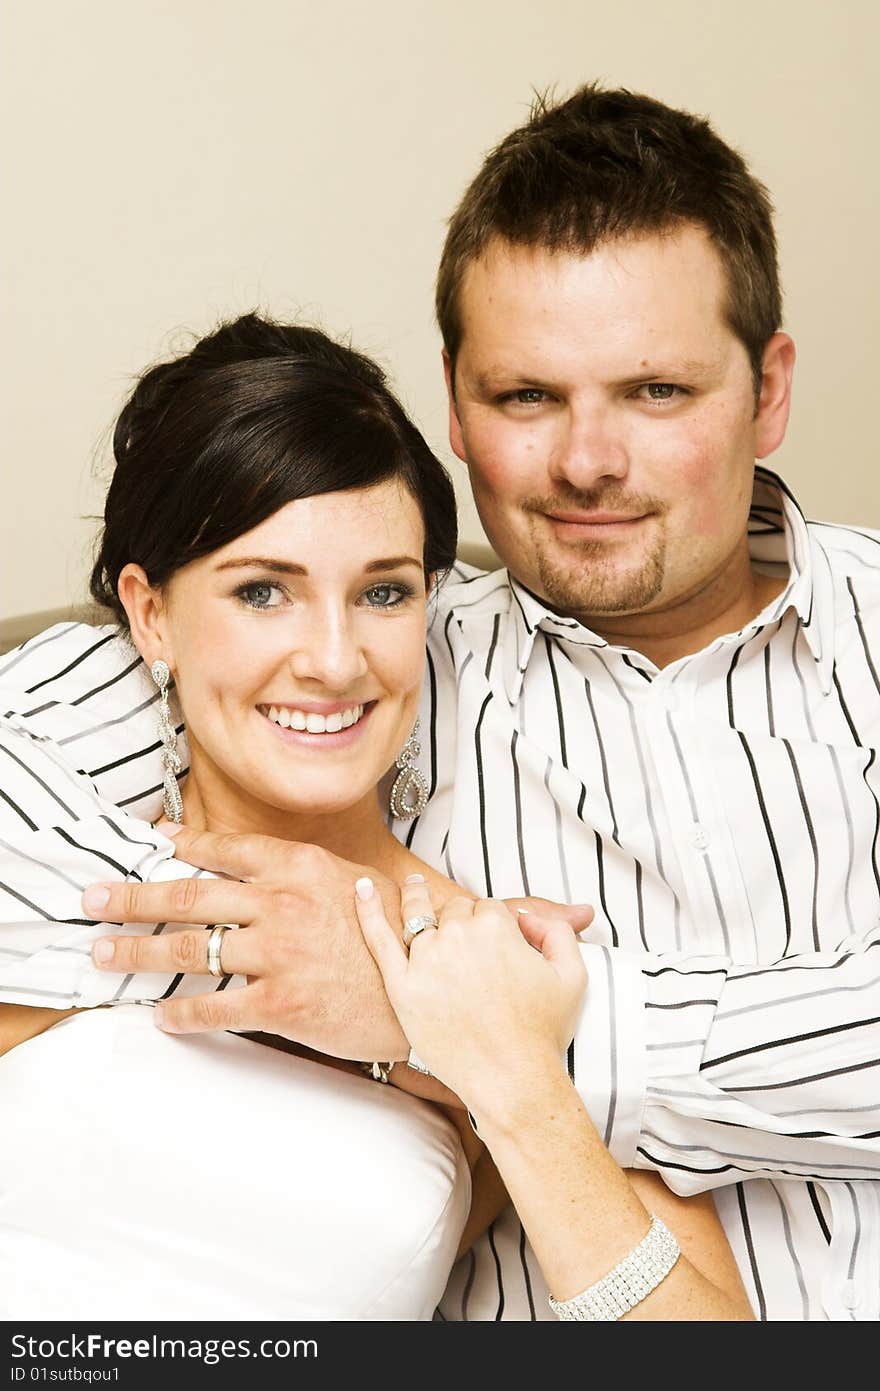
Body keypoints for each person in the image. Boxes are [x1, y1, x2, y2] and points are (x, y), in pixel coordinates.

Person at [2, 82, 877, 1321]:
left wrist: (470, 1018)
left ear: (768, 388)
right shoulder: (403, 648)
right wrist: (282, 950)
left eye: (656, 392)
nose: (586, 460)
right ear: (459, 408)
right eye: (527, 396)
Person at [0, 312, 752, 1321]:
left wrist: (492, 1066)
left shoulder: (499, 960)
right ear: (148, 613)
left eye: (382, 593)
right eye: (263, 591)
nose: (335, 659)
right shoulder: (49, 881)